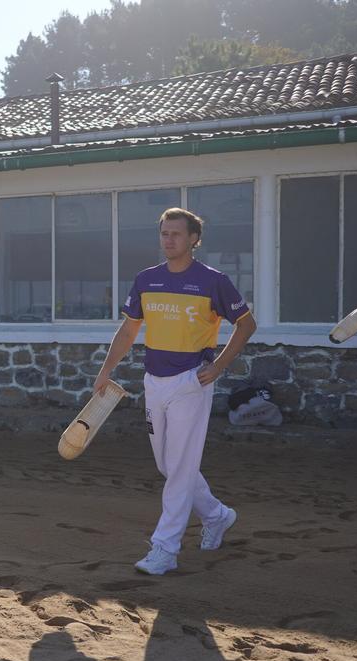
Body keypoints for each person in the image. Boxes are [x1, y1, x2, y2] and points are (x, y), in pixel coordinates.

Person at [93, 208, 256, 575]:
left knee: (181, 468)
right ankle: (217, 515)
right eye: (164, 233)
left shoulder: (214, 281)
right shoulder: (146, 279)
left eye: (177, 234)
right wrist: (106, 370)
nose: (169, 240)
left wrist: (219, 366)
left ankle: (165, 549)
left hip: (191, 382)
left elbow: (247, 325)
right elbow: (129, 330)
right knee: (169, 465)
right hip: (154, 381)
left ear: (194, 239)